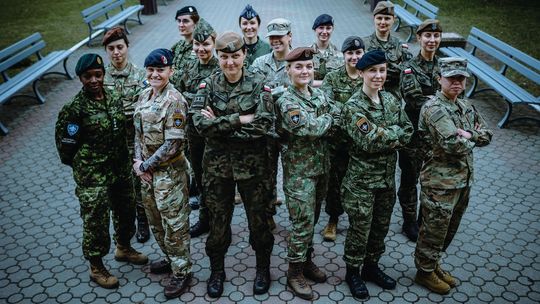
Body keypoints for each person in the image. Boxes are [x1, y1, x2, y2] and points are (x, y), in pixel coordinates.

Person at [192, 32, 274, 298]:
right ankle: (217, 271)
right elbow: (200, 125)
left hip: (254, 168)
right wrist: (240, 119)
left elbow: (263, 125)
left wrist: (220, 125)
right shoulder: (207, 86)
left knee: (260, 223)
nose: (230, 63)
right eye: (224, 57)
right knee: (217, 223)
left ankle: (263, 269)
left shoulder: (260, 84)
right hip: (217, 169)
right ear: (217, 57)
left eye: (235, 56)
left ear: (244, 56)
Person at [55, 53, 148, 289]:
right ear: (80, 78)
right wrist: (86, 166)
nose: (94, 80)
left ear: (103, 75)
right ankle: (96, 266)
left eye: (98, 75)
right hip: (92, 175)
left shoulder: (114, 97)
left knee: (126, 209)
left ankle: (123, 247)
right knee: (96, 220)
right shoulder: (74, 109)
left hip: (119, 167)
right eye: (88, 76)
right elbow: (66, 148)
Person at [414, 57, 492, 294]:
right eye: (451, 78)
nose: (457, 83)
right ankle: (424, 272)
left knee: (449, 228)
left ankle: (434, 263)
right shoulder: (434, 108)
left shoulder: (466, 106)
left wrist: (469, 135)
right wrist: (471, 137)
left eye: (461, 79)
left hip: (462, 180)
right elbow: (452, 144)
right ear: (439, 80)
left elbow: (487, 134)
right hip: (440, 183)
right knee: (433, 229)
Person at [340, 50, 413, 300]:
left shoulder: (392, 100)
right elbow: (369, 142)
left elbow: (408, 131)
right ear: (361, 73)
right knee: (360, 229)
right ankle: (352, 272)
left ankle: (371, 267)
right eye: (372, 71)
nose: (378, 76)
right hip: (361, 183)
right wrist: (392, 135)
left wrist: (385, 133)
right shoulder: (353, 107)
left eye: (382, 70)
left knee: (380, 228)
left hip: (385, 180)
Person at [275, 47, 339, 300]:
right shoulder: (286, 100)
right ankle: (294, 272)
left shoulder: (318, 95)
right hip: (299, 174)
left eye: (309, 67)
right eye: (299, 67)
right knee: (301, 224)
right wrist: (330, 120)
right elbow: (310, 128)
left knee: (311, 221)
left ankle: (306, 260)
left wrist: (329, 119)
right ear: (288, 70)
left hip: (321, 169)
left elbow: (336, 114)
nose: (305, 71)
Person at [133, 49, 192, 299]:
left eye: (160, 70)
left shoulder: (175, 100)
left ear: (171, 71)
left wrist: (146, 166)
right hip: (147, 174)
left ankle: (182, 272)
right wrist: (137, 162)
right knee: (155, 221)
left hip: (169, 174)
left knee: (174, 225)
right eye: (151, 70)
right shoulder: (144, 95)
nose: (155, 74)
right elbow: (137, 132)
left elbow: (173, 144)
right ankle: (171, 259)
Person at [102, 27, 150, 243]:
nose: (116, 52)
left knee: (139, 185)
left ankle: (143, 221)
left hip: (135, 142)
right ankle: (123, 231)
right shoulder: (100, 78)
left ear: (127, 47)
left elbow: (144, 109)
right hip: (111, 145)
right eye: (111, 48)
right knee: (117, 189)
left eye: (120, 47)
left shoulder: (141, 75)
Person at [398, 19, 443, 242]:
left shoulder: (444, 67)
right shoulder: (409, 68)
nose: (432, 40)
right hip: (414, 135)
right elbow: (414, 100)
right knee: (409, 180)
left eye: (436, 36)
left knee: (431, 179)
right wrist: (440, 101)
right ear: (419, 38)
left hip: (436, 137)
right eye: (427, 36)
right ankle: (408, 221)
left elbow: (457, 96)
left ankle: (422, 217)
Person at [174, 19, 220, 238]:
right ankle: (204, 219)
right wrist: (197, 100)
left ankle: (219, 220)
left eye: (206, 44)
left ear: (214, 43)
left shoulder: (222, 68)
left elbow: (220, 101)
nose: (201, 49)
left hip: (215, 134)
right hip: (193, 133)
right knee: (200, 177)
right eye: (197, 45)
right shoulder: (189, 67)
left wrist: (192, 99)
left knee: (217, 179)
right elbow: (177, 94)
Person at [319, 36, 365, 242]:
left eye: (358, 53)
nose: (354, 57)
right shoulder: (333, 77)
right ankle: (333, 220)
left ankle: (358, 222)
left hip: (361, 144)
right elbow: (328, 104)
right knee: (334, 183)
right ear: (344, 55)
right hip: (337, 143)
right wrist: (355, 114)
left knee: (359, 183)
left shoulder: (369, 76)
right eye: (350, 53)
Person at [250, 17, 293, 229]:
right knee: (266, 177)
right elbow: (254, 94)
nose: (276, 41)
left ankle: (297, 220)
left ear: (289, 37)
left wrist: (270, 93)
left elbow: (303, 91)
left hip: (290, 131)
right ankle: (268, 215)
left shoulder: (298, 62)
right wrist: (282, 92)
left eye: (280, 37)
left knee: (293, 178)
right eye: (272, 38)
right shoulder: (259, 63)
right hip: (266, 130)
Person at [363, 1, 412, 100]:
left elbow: (408, 71)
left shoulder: (400, 45)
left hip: (393, 98)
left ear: (393, 20)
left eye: (387, 18)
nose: (383, 22)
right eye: (379, 18)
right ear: (374, 19)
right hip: (368, 97)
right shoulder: (364, 44)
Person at [310, 14, 344, 87]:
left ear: (332, 30)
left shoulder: (340, 55)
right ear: (315, 29)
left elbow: (341, 81)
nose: (324, 32)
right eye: (321, 28)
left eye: (328, 28)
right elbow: (303, 81)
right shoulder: (306, 54)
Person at [171, 6, 199, 85]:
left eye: (185, 21)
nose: (181, 25)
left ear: (196, 24)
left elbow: (186, 76)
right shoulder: (179, 45)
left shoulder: (199, 49)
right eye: (179, 21)